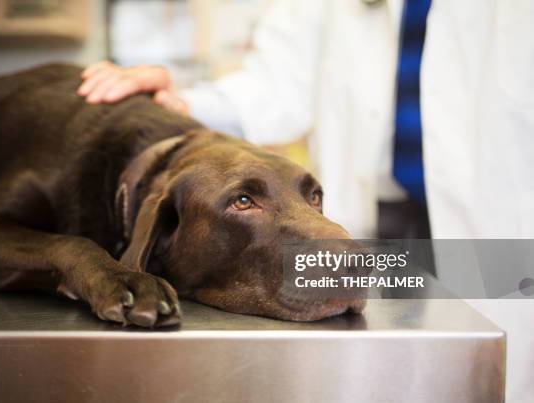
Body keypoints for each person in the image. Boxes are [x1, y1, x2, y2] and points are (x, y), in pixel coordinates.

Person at [78, 1, 534, 401]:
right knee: (378, 383)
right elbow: (273, 87)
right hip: (368, 237)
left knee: (489, 379)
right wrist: (174, 100)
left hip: (499, 239)